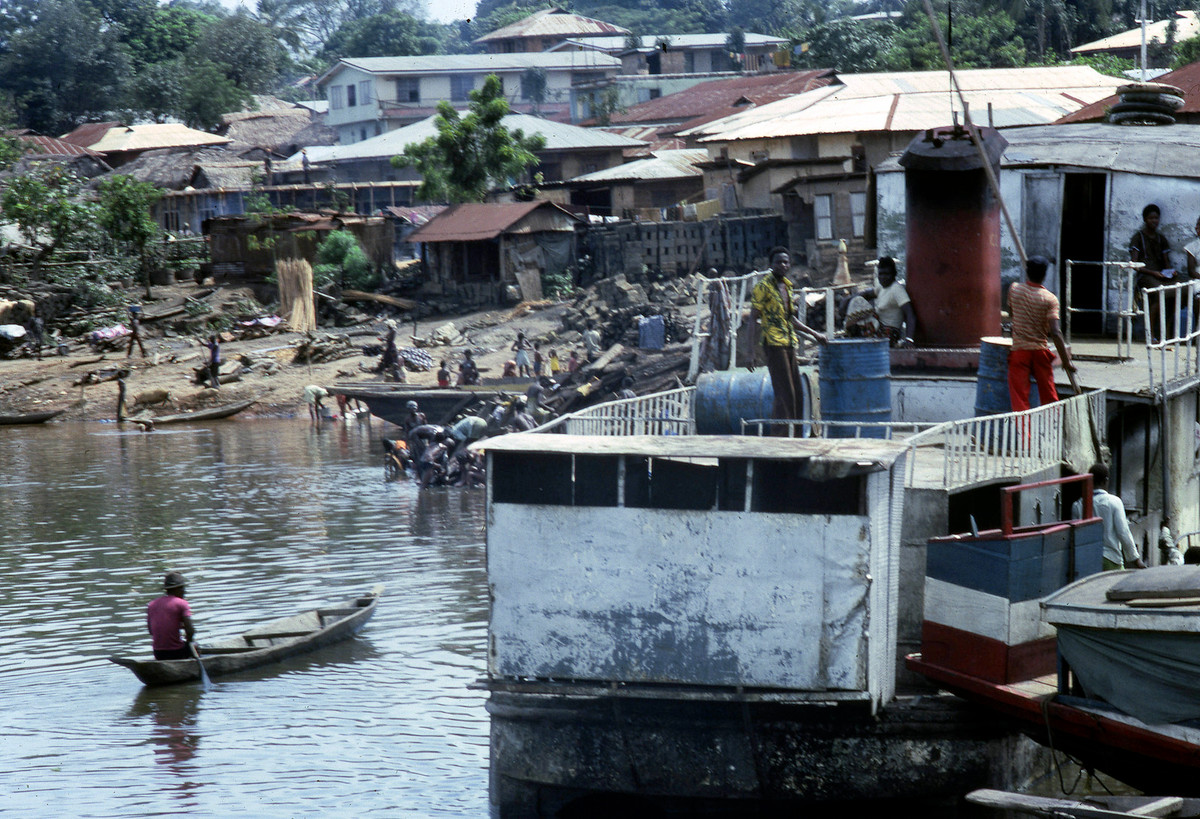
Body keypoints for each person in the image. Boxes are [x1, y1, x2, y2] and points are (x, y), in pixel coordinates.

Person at [749, 246, 826, 426]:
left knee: (797, 392)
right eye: (778, 262)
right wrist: (750, 352)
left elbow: (790, 318)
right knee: (785, 393)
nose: (783, 265)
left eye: (786, 262)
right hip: (774, 344)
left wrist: (815, 334)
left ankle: (797, 434)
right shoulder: (763, 287)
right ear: (771, 265)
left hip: (789, 342)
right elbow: (753, 319)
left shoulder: (788, 287)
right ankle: (782, 436)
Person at [1007, 255, 1076, 412]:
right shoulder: (1050, 299)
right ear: (1045, 275)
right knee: (1050, 397)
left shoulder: (1014, 289)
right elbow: (1055, 332)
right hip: (1040, 352)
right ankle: (1054, 431)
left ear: (1027, 272)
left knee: (1020, 401)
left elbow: (1012, 313)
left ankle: (1025, 435)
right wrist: (1066, 362)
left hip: (1019, 352)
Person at [1072, 463, 1146, 571]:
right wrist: (1135, 559)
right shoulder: (1114, 502)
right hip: (1110, 559)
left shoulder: (1077, 505)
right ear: (1105, 480)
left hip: (1087, 560)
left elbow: (1075, 535)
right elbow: (1123, 532)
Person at [1130, 204, 1177, 342]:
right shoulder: (1138, 238)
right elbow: (1134, 265)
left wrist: (1170, 272)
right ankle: (1149, 334)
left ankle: (1167, 333)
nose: (1154, 221)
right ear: (1145, 219)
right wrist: (1154, 273)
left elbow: (1166, 261)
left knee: (1177, 291)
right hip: (1145, 275)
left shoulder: (1161, 238)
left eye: (1156, 218)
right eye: (1151, 218)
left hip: (1161, 275)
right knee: (1158, 293)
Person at [862, 257, 916, 347]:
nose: (883, 277)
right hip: (877, 328)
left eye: (887, 274)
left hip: (889, 334)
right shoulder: (881, 287)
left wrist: (909, 340)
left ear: (894, 274)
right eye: (881, 274)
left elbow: (910, 314)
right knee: (857, 303)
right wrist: (850, 299)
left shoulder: (897, 289)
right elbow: (867, 294)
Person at [147, 571, 196, 660]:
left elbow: (151, 631)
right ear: (179, 589)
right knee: (196, 647)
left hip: (158, 653)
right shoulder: (182, 604)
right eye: (183, 588)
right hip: (176, 653)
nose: (184, 591)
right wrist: (190, 643)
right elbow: (190, 631)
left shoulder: (151, 604)